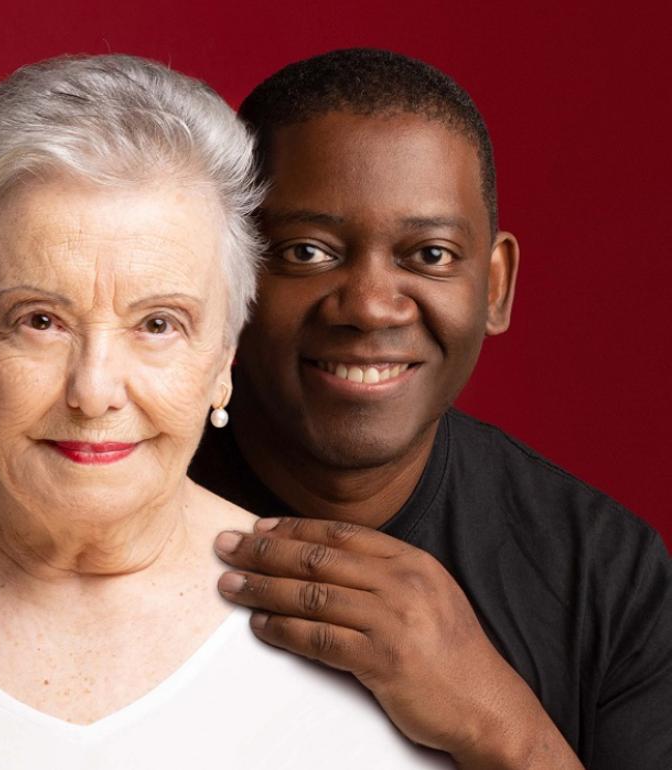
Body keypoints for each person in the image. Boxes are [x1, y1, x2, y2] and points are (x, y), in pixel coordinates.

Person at [0, 53, 449, 769]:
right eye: (41, 320)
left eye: (158, 324)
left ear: (224, 358)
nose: (94, 391)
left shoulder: (363, 653)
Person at [195, 49, 672, 769]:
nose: (369, 305)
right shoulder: (103, 509)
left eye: (431, 255)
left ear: (496, 285)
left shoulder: (606, 574)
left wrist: (501, 725)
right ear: (227, 273)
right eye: (307, 250)